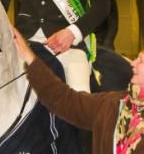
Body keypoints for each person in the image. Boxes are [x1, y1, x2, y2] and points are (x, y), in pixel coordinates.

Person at [13, 27, 144, 154]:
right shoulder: (114, 104)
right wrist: (30, 58)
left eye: (141, 61)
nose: (133, 63)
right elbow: (68, 101)